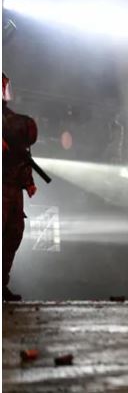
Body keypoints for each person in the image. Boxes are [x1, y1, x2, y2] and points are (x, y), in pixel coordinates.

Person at [2, 72, 38, 302]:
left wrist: (28, 182)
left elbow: (22, 154)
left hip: (12, 188)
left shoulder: (12, 120)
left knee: (13, 234)